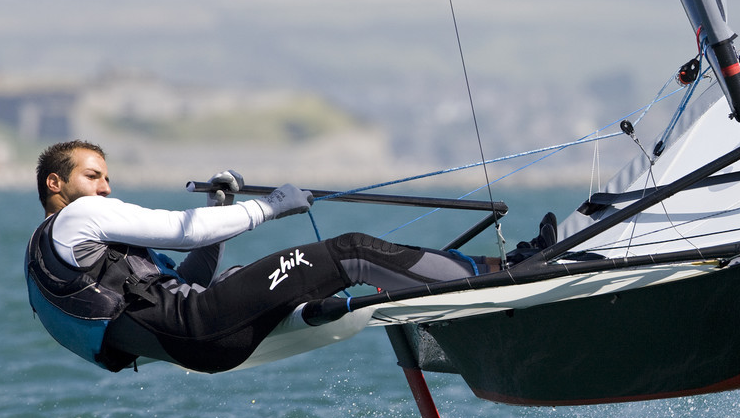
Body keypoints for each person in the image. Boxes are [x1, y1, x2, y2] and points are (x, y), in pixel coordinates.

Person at [25, 139, 492, 374]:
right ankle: (494, 274)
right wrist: (268, 207)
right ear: (56, 183)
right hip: (201, 327)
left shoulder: (51, 254)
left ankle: (458, 281)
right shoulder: (77, 219)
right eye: (92, 177)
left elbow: (190, 279)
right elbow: (177, 232)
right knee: (351, 252)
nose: (105, 188)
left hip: (200, 343)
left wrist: (220, 211)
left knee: (240, 274)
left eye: (106, 178)